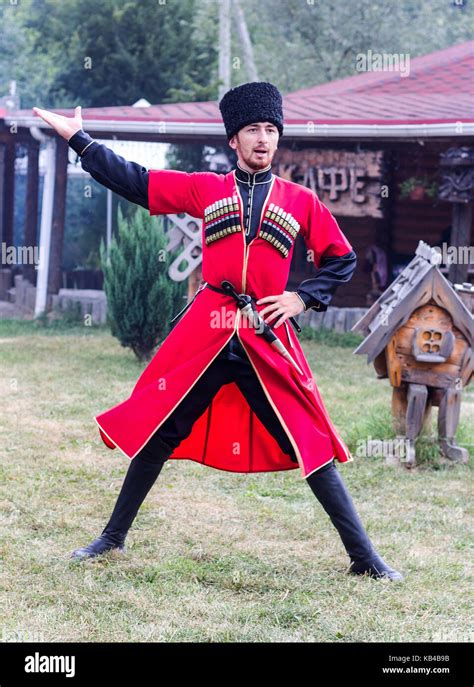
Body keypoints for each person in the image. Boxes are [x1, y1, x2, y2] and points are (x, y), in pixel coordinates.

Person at [33, 82, 403, 581]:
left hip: (264, 340)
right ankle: (112, 537)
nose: (263, 139)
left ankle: (365, 558)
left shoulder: (301, 201)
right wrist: (79, 138)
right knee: (160, 431)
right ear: (234, 139)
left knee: (308, 441)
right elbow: (136, 181)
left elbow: (342, 258)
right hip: (207, 334)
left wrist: (301, 297)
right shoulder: (206, 189)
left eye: (271, 130)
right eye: (253, 129)